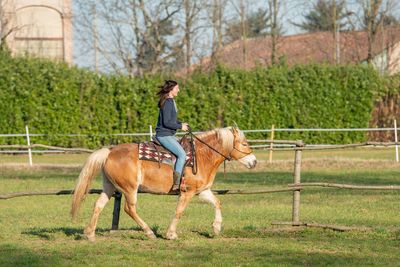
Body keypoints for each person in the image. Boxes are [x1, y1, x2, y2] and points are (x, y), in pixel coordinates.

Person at [155, 80, 189, 192]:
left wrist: (182, 124)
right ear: (171, 89)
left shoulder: (170, 101)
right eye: (177, 88)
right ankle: (176, 184)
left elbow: (171, 120)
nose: (178, 90)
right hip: (164, 135)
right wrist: (180, 126)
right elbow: (167, 123)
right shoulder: (168, 102)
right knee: (182, 154)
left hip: (168, 134)